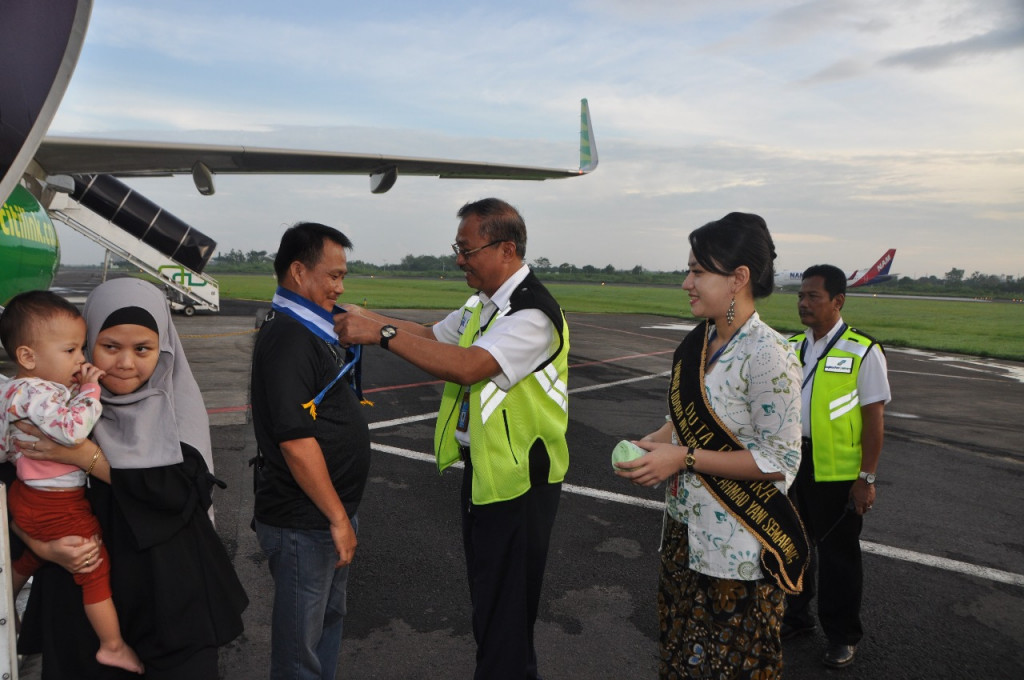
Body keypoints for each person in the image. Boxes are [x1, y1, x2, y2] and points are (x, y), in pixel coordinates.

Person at [335, 197, 569, 680]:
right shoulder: (484, 305)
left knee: (505, 611)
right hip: (490, 473)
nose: (460, 260)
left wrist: (378, 333)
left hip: (521, 481)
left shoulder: (532, 314)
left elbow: (468, 366)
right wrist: (368, 318)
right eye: (457, 248)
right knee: (491, 603)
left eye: (467, 249)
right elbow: (432, 336)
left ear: (506, 249)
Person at [11, 277, 248, 679]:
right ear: (87, 344)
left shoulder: (176, 410)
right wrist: (41, 548)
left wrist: (83, 456)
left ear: (164, 350)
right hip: (81, 609)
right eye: (110, 347)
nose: (125, 363)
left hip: (171, 605)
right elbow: (10, 494)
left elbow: (178, 492)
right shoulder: (52, 406)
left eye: (142, 349)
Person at [614, 212, 807, 679]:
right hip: (684, 536)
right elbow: (681, 425)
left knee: (730, 667)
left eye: (698, 271)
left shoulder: (768, 354)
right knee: (681, 659)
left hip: (738, 552)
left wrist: (683, 458)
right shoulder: (697, 344)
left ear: (738, 278)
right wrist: (652, 446)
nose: (687, 283)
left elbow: (780, 460)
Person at [249, 222, 372, 680]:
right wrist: (338, 519)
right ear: (299, 272)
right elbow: (296, 441)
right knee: (300, 651)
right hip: (306, 521)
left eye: (343, 277)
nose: (340, 288)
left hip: (323, 515)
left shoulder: (306, 328)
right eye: (333, 276)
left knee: (326, 625)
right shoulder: (290, 337)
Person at [0, 291, 144, 674]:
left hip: (26, 496)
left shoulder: (11, 389)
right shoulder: (39, 392)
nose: (81, 360)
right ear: (28, 356)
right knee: (93, 566)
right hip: (57, 502)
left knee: (31, 554)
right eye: (70, 350)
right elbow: (73, 430)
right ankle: (112, 645)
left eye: (82, 347)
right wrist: (90, 391)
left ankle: (7, 597)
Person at [782, 264, 891, 669]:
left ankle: (842, 636)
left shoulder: (862, 350)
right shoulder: (790, 346)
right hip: (791, 464)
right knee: (792, 546)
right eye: (800, 296)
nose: (803, 303)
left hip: (837, 472)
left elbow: (874, 421)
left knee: (838, 557)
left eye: (813, 296)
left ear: (838, 301)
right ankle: (796, 618)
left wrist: (866, 478)